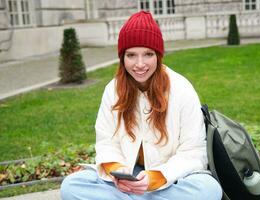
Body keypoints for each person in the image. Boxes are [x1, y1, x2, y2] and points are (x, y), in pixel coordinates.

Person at [60, 11, 222, 200]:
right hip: (127, 178)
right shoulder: (113, 90)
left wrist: (156, 177)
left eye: (148, 54)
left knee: (208, 190)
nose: (139, 64)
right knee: (71, 186)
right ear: (122, 58)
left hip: (171, 178)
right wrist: (116, 169)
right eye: (131, 55)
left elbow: (193, 151)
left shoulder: (182, 89)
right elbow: (107, 142)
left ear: (158, 56)